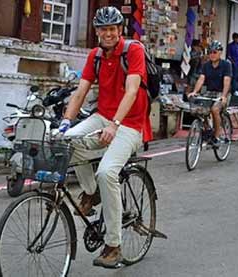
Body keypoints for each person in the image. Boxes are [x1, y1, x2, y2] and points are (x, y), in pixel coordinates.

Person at [58, 6, 152, 268]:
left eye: (113, 28)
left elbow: (132, 91)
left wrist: (115, 124)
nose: (108, 33)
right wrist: (66, 122)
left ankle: (113, 245)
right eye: (103, 29)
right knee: (66, 143)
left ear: (119, 30)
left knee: (107, 173)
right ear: (97, 32)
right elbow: (81, 92)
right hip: (102, 117)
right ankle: (91, 193)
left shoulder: (133, 51)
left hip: (131, 123)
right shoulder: (95, 55)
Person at [188, 40, 232, 145]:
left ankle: (217, 135)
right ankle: (207, 129)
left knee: (215, 109)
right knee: (199, 109)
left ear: (220, 52)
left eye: (215, 52)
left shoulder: (226, 65)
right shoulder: (206, 65)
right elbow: (201, 79)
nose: (212, 54)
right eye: (210, 52)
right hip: (209, 92)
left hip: (222, 93)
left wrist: (224, 96)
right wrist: (194, 92)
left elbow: (227, 81)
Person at [227, 32, 238, 96]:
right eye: (235, 38)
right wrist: (233, 62)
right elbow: (228, 56)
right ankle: (234, 91)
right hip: (235, 63)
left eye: (237, 38)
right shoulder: (230, 45)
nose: (236, 39)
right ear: (233, 38)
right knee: (235, 77)